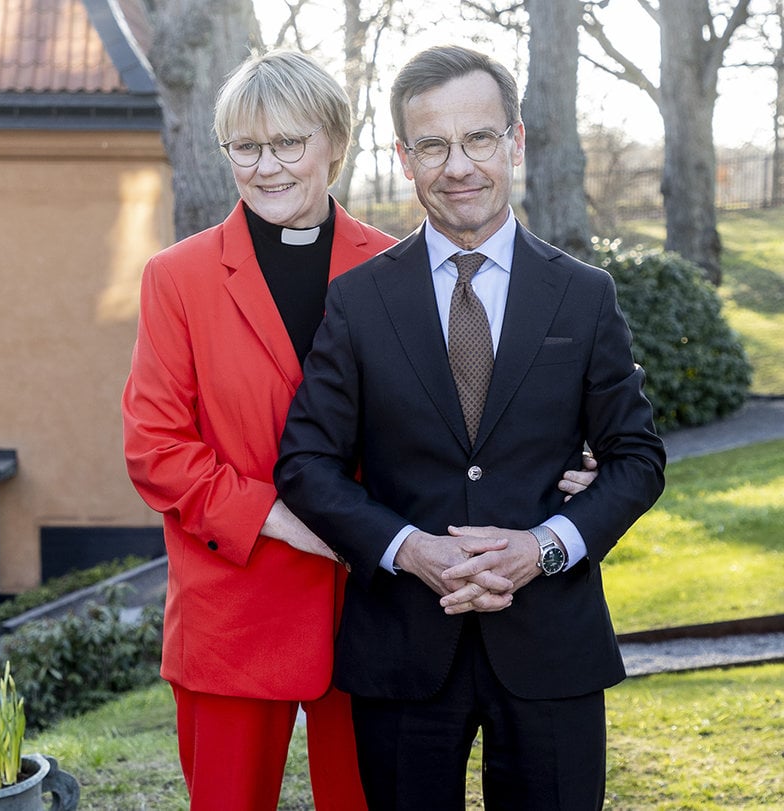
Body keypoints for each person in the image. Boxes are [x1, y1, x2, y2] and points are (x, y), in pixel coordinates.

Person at [122, 48, 599, 810]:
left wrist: (571, 452)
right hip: (235, 606)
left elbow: (475, 409)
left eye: (289, 142)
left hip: (379, 610)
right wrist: (283, 521)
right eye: (246, 147)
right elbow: (156, 449)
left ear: (336, 145)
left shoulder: (401, 266)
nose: (267, 166)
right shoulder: (177, 278)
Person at [275, 44, 666, 811]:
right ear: (404, 158)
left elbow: (636, 459)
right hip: (403, 647)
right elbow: (305, 464)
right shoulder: (358, 301)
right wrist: (409, 549)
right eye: (433, 145)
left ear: (514, 141)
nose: (458, 166)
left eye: (479, 138)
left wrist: (542, 546)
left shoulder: (583, 295)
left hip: (552, 643)